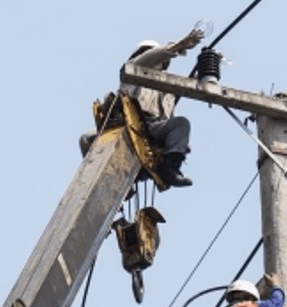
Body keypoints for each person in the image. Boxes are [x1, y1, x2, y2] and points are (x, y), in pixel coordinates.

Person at [80, 27, 204, 188]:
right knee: (87, 138)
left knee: (181, 124)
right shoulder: (133, 69)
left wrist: (209, 66)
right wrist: (179, 45)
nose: (153, 58)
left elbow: (194, 84)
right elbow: (153, 56)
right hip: (129, 125)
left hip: (154, 130)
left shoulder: (169, 86)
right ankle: (108, 180)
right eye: (147, 53)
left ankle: (169, 170)